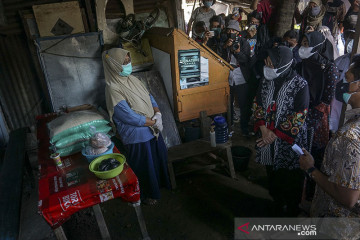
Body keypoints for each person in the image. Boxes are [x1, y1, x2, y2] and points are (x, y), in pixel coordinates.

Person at [299, 58, 360, 239]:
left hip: (338, 227)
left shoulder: (351, 136)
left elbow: (348, 198)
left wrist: (311, 169)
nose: (341, 83)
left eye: (346, 79)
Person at [102, 48, 170, 205]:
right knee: (145, 167)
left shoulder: (133, 79)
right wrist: (154, 122)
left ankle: (159, 187)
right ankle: (148, 194)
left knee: (158, 159)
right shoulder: (112, 88)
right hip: (137, 135)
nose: (129, 64)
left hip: (152, 130)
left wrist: (158, 113)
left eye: (129, 60)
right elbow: (128, 117)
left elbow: (149, 96)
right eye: (124, 62)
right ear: (114, 66)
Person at [253, 46, 309, 217]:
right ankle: (277, 203)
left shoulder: (300, 84)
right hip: (267, 136)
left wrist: (274, 135)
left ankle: (292, 209)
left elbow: (299, 115)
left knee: (291, 177)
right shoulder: (265, 80)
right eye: (266, 61)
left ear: (283, 63)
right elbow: (258, 104)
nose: (266, 64)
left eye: (270, 62)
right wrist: (263, 129)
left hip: (289, 140)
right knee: (273, 174)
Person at [297, 31, 339, 200]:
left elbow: (327, 99)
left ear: (317, 46)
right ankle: (297, 190)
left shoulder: (330, 68)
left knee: (315, 153)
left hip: (318, 117)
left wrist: (309, 120)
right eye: (303, 43)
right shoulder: (301, 64)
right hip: (300, 113)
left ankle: (311, 194)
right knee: (299, 152)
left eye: (307, 44)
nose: (303, 47)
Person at [221, 20, 251, 135]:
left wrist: (237, 51)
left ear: (238, 32)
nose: (230, 32)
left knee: (243, 102)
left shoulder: (244, 43)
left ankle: (244, 127)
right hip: (227, 74)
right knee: (228, 101)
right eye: (228, 30)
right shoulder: (224, 41)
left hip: (241, 75)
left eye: (233, 30)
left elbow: (246, 60)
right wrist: (225, 47)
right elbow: (218, 58)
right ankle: (229, 125)